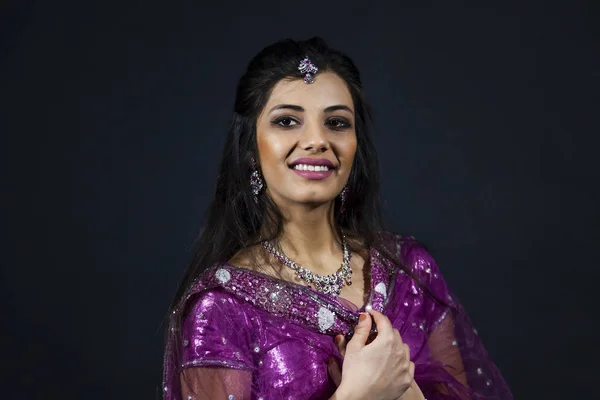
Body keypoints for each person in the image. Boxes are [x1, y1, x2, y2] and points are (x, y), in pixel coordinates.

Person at [162, 37, 513, 400]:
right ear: (251, 147)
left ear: (354, 146)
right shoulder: (222, 309)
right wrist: (359, 394)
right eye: (287, 121)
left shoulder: (409, 272)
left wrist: (406, 393)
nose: (316, 139)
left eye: (336, 122)